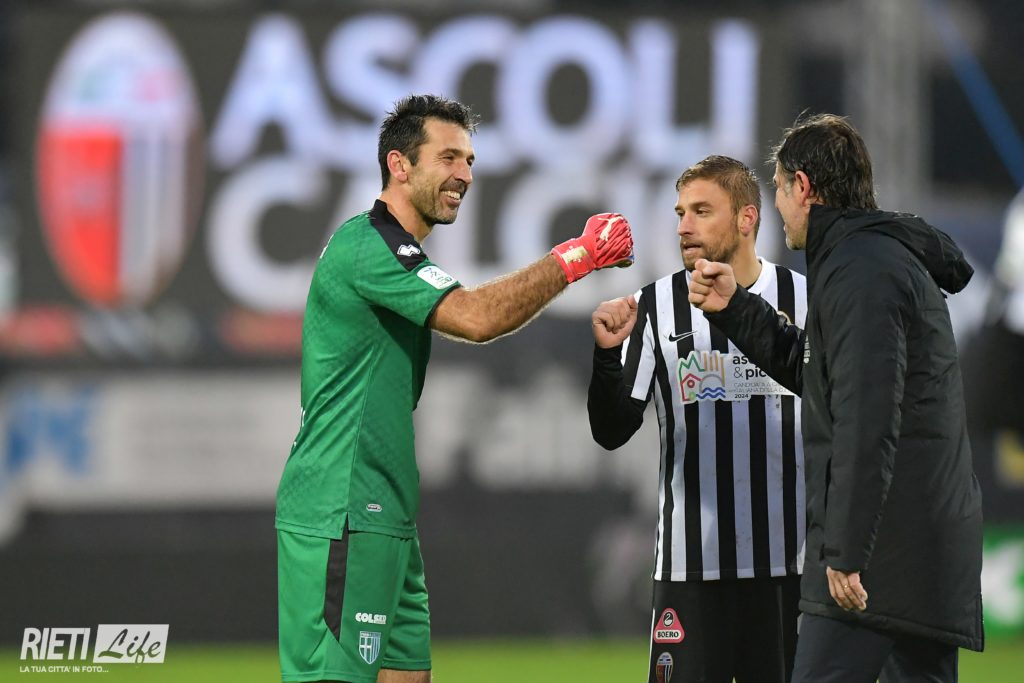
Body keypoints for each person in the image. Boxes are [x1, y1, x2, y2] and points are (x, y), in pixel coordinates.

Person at [274, 94, 634, 683]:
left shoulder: (396, 251)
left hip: (384, 511)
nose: (465, 174)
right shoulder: (370, 245)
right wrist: (577, 255)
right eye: (448, 157)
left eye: (469, 160)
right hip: (341, 510)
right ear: (399, 165)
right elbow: (476, 317)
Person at [687, 114, 984, 682]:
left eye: (778, 188)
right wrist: (737, 308)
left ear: (803, 187)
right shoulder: (872, 259)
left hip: (880, 558)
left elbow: (867, 417)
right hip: (917, 547)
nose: (777, 206)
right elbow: (826, 378)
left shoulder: (861, 271)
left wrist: (846, 551)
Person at [588, 155, 807, 683]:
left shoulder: (804, 299)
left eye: (702, 211)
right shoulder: (654, 305)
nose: (684, 226)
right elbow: (612, 431)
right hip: (689, 570)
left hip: (788, 568)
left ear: (747, 218)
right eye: (680, 212)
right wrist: (606, 357)